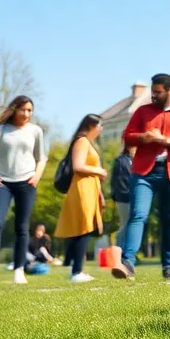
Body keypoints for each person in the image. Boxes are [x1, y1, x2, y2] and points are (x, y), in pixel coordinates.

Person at [112, 74, 170, 281]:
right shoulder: (142, 111)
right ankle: (127, 263)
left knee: (169, 219)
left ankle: (168, 266)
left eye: (158, 92)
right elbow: (128, 136)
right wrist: (144, 137)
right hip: (144, 172)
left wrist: (166, 141)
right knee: (138, 215)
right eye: (153, 91)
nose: (154, 95)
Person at [0, 96, 48, 287]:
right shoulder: (0, 130)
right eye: (23, 110)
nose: (27, 114)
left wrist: (37, 176)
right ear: (14, 110)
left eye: (30, 110)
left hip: (27, 182)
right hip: (3, 182)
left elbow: (41, 158)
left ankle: (19, 269)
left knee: (22, 227)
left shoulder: (35, 131)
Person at [56, 114, 106, 283]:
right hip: (81, 189)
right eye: (99, 125)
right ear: (92, 125)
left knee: (85, 229)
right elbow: (78, 166)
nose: (101, 129)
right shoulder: (82, 141)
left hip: (90, 189)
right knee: (83, 228)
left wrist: (100, 195)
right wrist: (99, 171)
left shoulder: (89, 144)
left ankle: (77, 270)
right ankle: (76, 271)